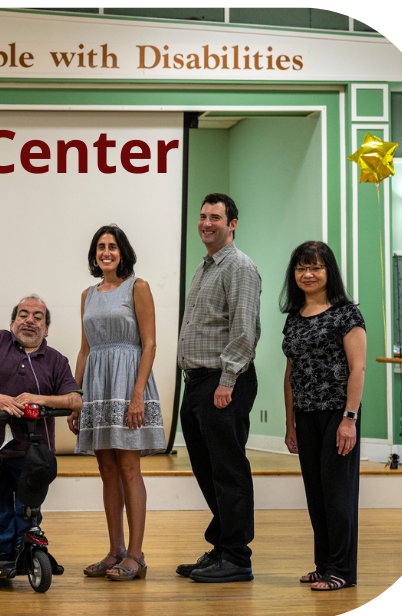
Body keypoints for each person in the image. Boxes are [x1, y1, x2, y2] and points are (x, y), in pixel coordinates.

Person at [70, 225, 165, 582]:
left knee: (128, 469)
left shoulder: (137, 287)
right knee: (106, 471)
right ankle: (115, 551)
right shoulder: (87, 294)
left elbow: (150, 344)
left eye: (112, 246)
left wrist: (138, 393)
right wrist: (75, 396)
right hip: (96, 385)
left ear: (122, 251)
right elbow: (84, 349)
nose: (105, 252)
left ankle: (137, 556)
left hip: (128, 384)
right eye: (100, 247)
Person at [175, 193, 261, 583]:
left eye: (215, 217)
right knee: (207, 471)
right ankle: (223, 545)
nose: (206, 223)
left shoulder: (239, 267)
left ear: (232, 224)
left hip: (222, 383)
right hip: (197, 383)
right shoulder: (205, 267)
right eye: (203, 216)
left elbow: (244, 330)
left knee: (227, 471)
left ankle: (237, 558)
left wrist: (226, 381)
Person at [0, 295, 82, 563]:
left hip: (32, 454)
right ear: (13, 322)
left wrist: (40, 399)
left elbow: (75, 400)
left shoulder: (56, 360)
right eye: (23, 315)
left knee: (28, 509)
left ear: (46, 329)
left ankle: (25, 550)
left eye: (38, 317)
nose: (29, 320)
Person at [280, 241, 366, 591]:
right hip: (306, 414)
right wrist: (290, 423)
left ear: (329, 272)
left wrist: (350, 418)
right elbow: (290, 373)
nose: (308, 274)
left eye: (315, 267)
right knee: (316, 493)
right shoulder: (294, 317)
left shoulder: (347, 314)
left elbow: (357, 368)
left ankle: (342, 570)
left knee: (337, 493)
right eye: (301, 268)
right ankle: (324, 564)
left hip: (337, 413)